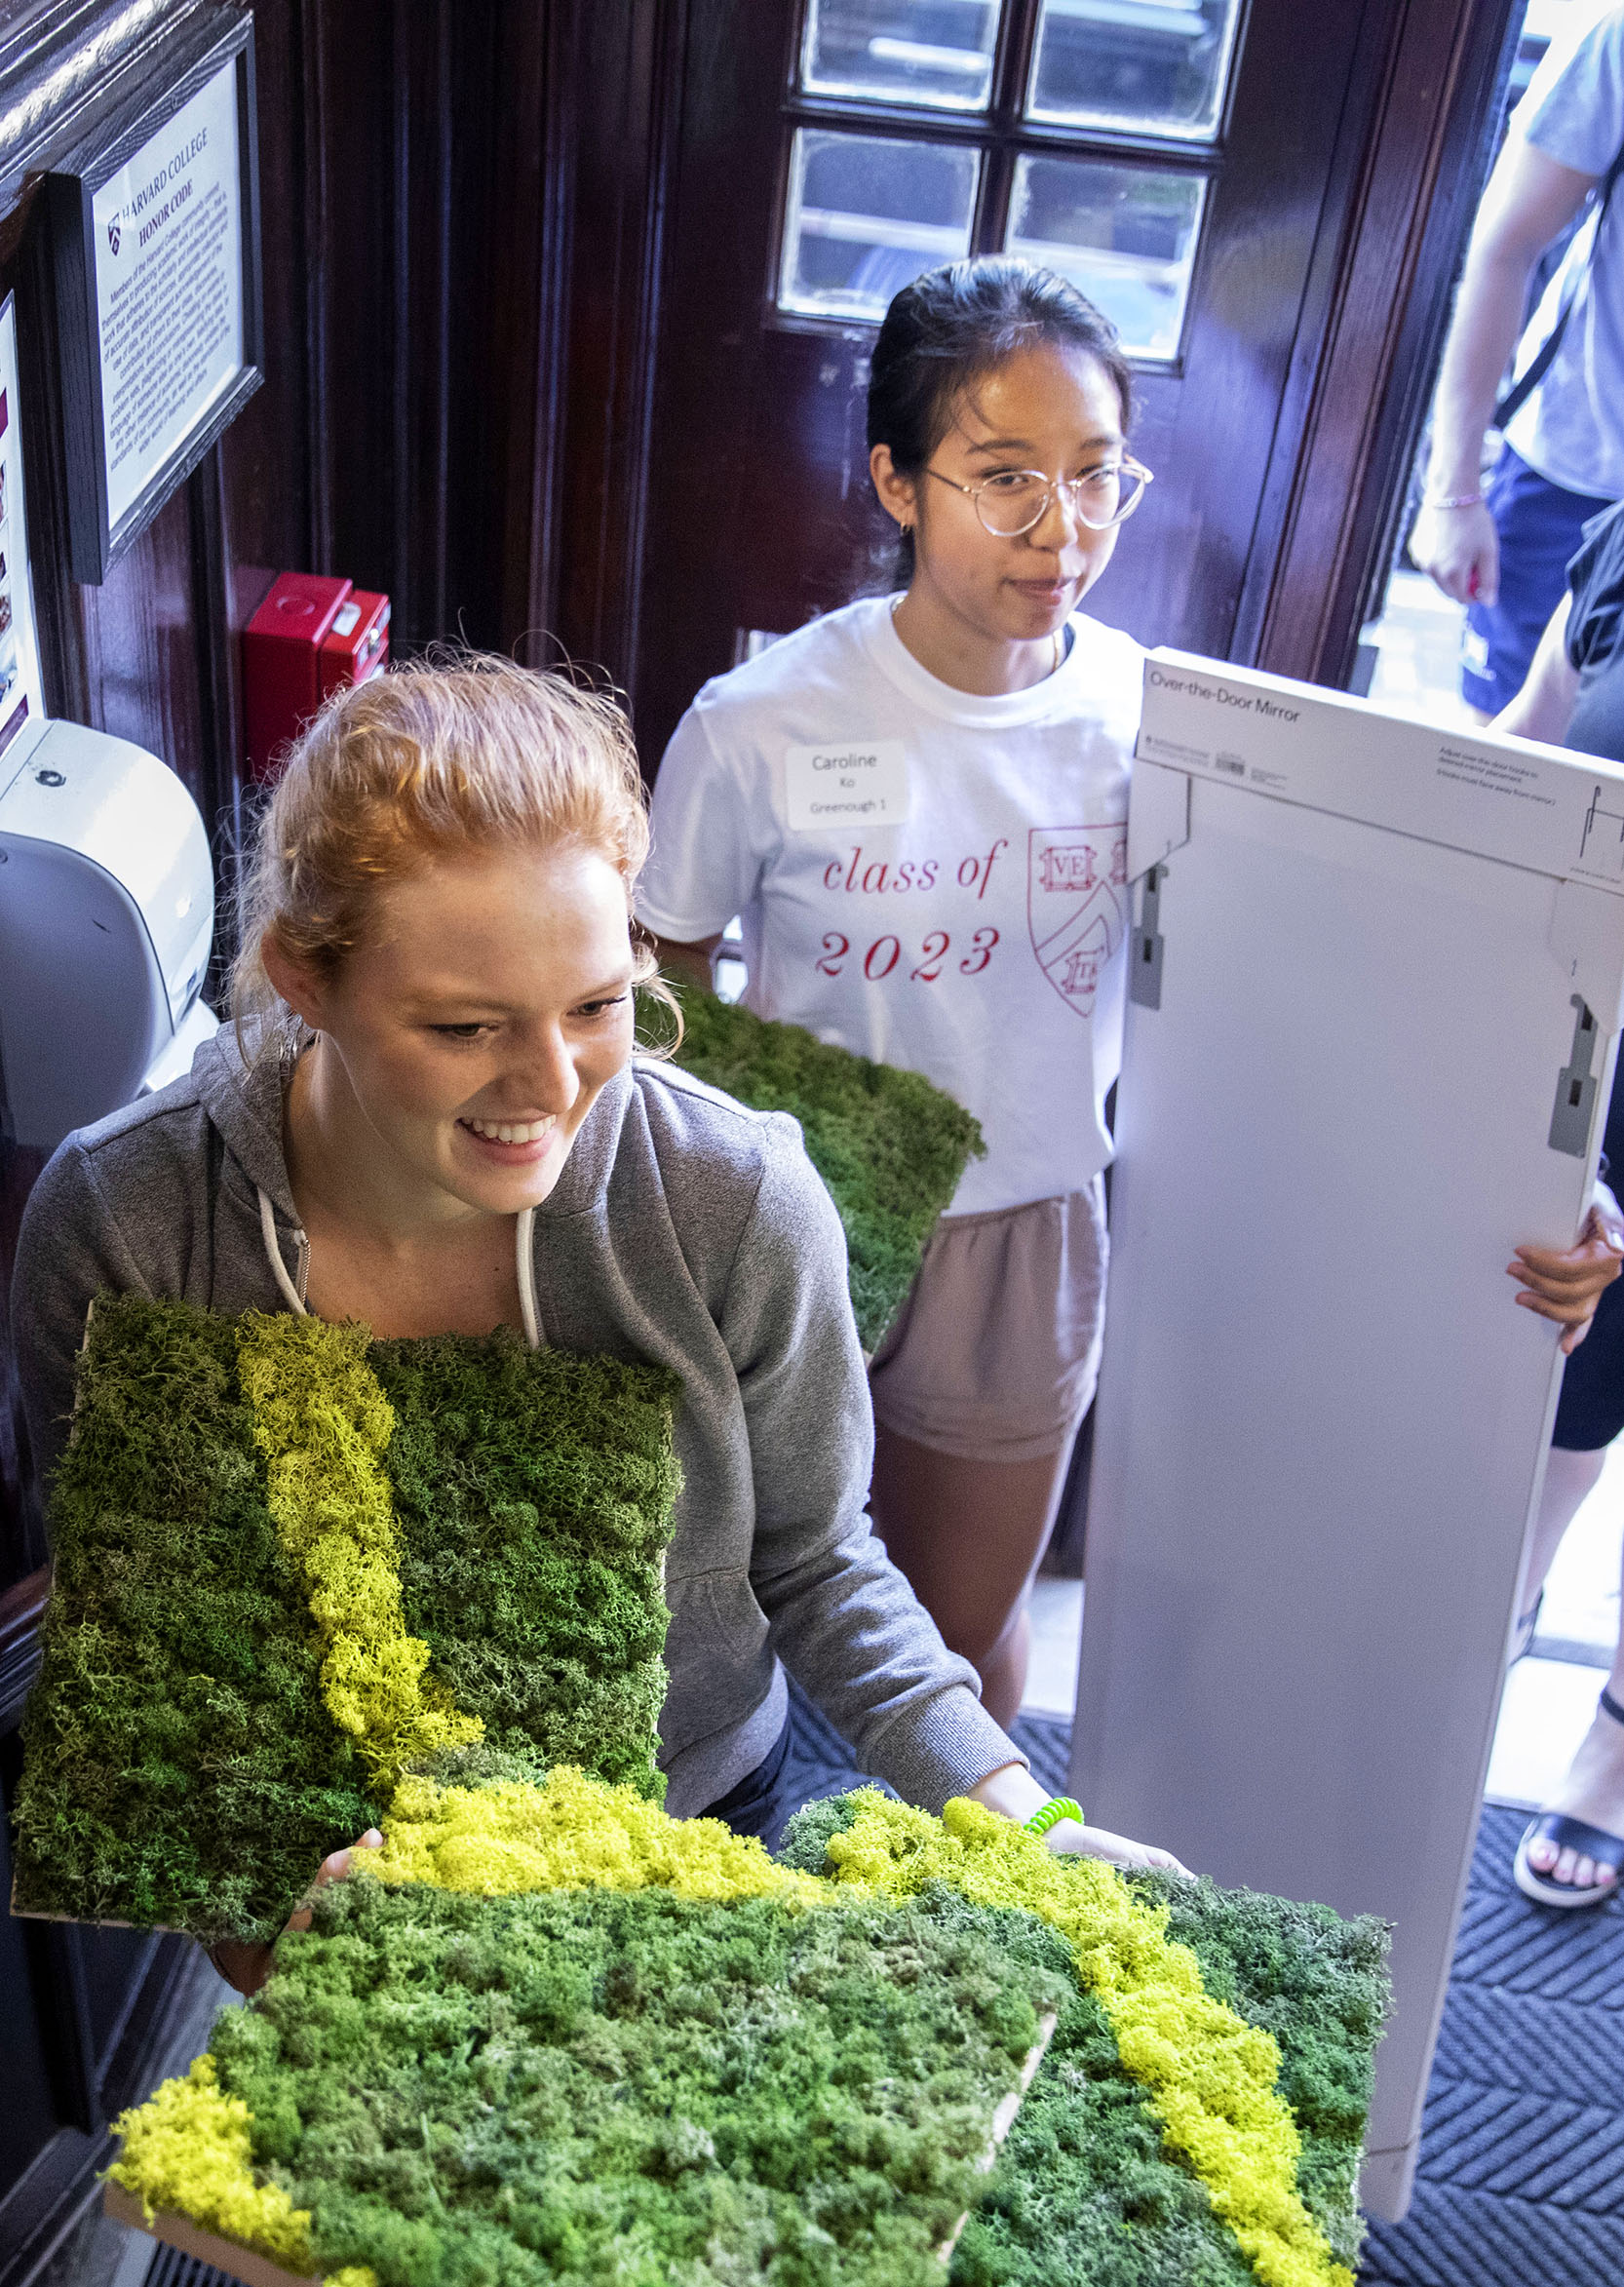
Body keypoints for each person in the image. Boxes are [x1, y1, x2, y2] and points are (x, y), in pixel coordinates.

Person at [10, 658, 1178, 2003]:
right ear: (302, 979)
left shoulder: (730, 1201)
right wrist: (272, 1928)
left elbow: (815, 1560)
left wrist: (1028, 1822)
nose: (552, 1087)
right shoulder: (127, 1221)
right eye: (464, 1027)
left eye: (596, 1005)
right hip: (338, 1844)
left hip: (685, 1815)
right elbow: (161, 1654)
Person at [641, 255, 1622, 1726]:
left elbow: (1332, 995)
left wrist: (1544, 1175)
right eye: (1004, 477)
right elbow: (651, 987)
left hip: (1025, 1230)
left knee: (960, 1649)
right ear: (897, 484)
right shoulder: (759, 721)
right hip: (798, 1212)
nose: (1063, 530)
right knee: (724, 1620)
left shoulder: (1160, 725)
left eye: (1097, 477)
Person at [1496, 497, 1624, 1908]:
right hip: (1606, 1061)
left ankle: (1614, 1745)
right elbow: (1524, 749)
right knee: (1569, 1375)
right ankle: (1499, 1619)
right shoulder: (1616, 538)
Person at [1412, 8, 1624, 717]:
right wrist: (1453, 490)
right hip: (1575, 479)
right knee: (1509, 777)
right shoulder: (1616, 40)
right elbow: (1504, 251)